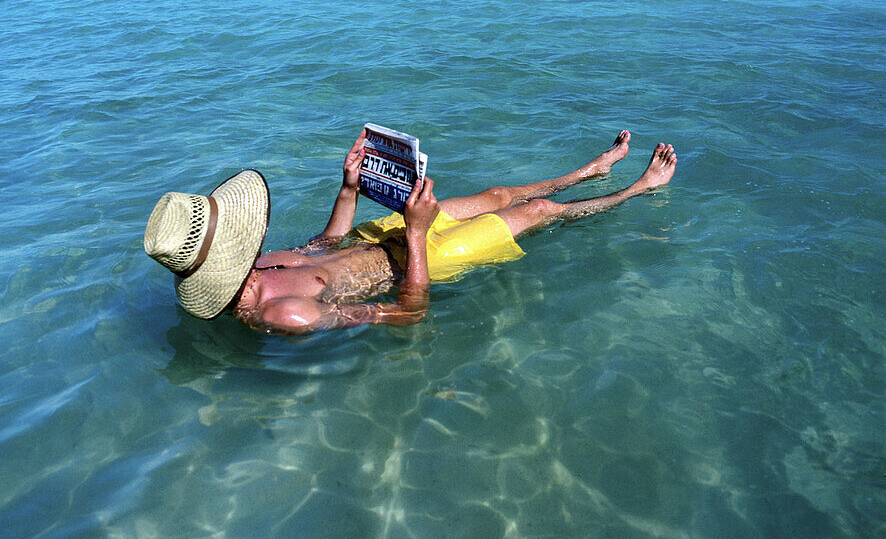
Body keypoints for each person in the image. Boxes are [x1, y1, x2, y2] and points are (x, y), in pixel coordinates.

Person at [144, 130, 676, 335]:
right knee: (537, 213)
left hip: (384, 235)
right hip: (418, 259)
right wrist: (418, 235)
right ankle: (636, 191)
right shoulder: (285, 314)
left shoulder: (260, 264)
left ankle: (587, 172)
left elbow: (326, 246)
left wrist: (349, 187)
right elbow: (407, 314)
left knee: (494, 195)